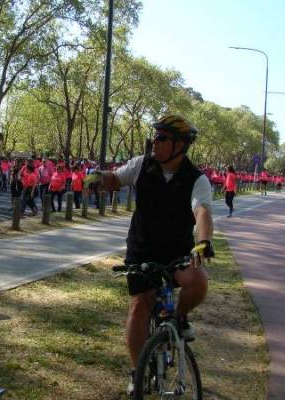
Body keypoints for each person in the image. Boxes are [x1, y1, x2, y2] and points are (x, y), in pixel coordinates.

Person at [86, 115, 213, 396]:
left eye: (161, 137)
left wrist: (203, 242)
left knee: (198, 280)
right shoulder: (141, 164)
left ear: (179, 145)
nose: (153, 142)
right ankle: (138, 372)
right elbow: (115, 179)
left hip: (178, 251)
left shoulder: (196, 179)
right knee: (140, 306)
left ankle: (179, 318)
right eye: (154, 136)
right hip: (142, 248)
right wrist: (97, 177)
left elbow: (202, 211)